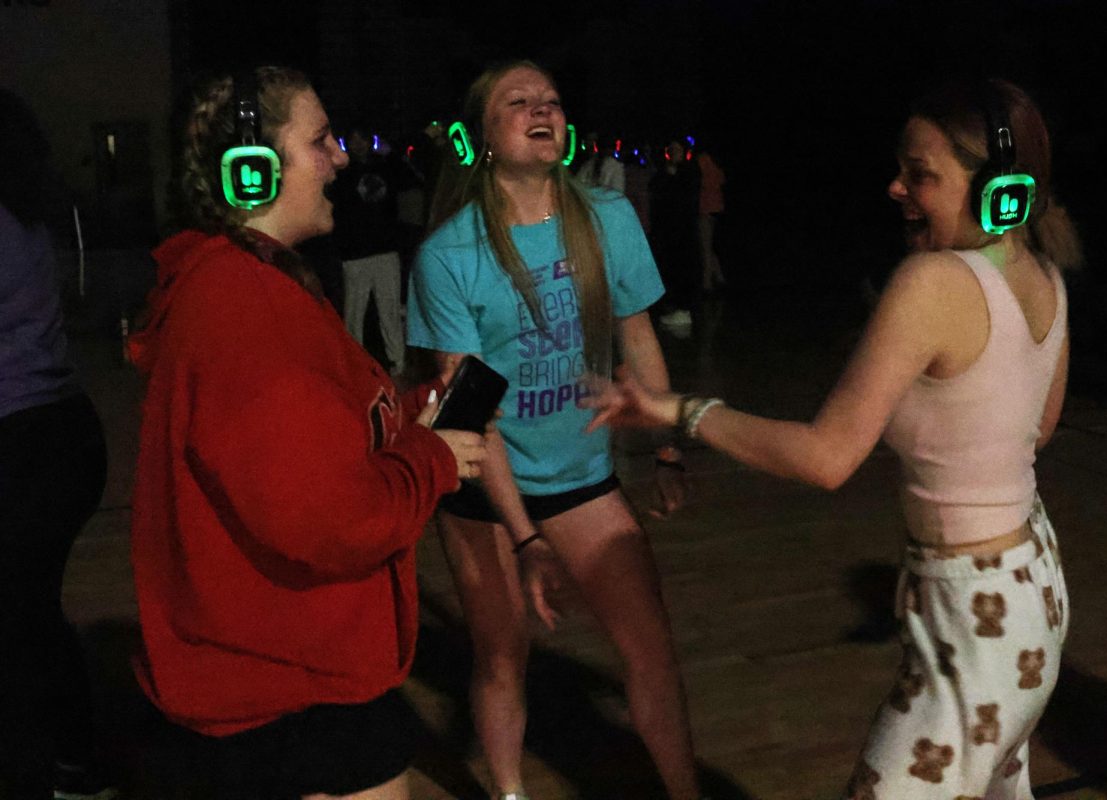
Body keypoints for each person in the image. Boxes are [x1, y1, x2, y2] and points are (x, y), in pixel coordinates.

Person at [592, 78, 1081, 799]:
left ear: (998, 187)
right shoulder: (1044, 274)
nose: (896, 187)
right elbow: (1037, 429)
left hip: (975, 616)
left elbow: (825, 458)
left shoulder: (933, 281)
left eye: (921, 174)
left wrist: (682, 410)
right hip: (1029, 591)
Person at [128, 66, 487, 800]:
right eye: (320, 142)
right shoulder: (244, 312)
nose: (342, 158)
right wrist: (430, 458)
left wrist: (415, 408)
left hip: (287, 660)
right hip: (290, 681)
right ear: (251, 171)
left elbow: (314, 437)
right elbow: (333, 519)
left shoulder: (254, 281)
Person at [408, 60, 702, 800]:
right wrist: (527, 539)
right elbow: (469, 416)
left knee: (651, 653)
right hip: (485, 485)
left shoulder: (607, 217)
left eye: (552, 101)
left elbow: (638, 339)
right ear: (482, 134)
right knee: (501, 657)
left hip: (582, 479)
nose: (542, 110)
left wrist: (668, 446)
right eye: (519, 102)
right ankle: (510, 792)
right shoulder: (450, 255)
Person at [0, 87, 114, 800]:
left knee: (22, 615)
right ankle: (71, 762)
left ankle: (65, 765)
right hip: (59, 433)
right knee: (28, 611)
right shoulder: (27, 217)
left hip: (26, 443)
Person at [331, 119, 410, 373]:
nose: (357, 145)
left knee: (390, 311)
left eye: (361, 139)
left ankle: (397, 361)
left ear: (370, 140)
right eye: (353, 140)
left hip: (385, 249)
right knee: (354, 314)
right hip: (354, 253)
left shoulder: (386, 166)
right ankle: (355, 366)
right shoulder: (342, 173)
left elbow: (410, 175)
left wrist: (392, 153)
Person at [648, 139, 702, 331]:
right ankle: (676, 306)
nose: (673, 153)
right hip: (668, 231)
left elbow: (686, 199)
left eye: (677, 149)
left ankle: (684, 308)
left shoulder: (689, 173)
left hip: (684, 230)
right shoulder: (664, 173)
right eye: (671, 149)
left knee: (684, 268)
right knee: (671, 267)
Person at [695, 142, 726, 293]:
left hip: (705, 207)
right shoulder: (718, 161)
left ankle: (707, 283)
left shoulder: (702, 160)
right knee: (710, 245)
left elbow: (701, 183)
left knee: (705, 247)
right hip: (717, 207)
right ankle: (719, 276)